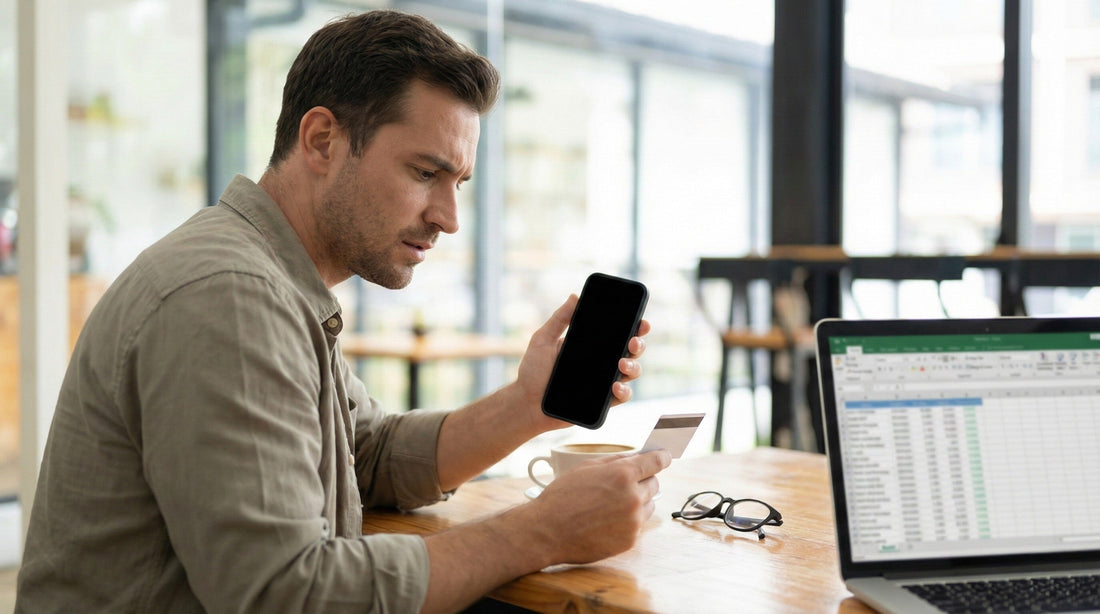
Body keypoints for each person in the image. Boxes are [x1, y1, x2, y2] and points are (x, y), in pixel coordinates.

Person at [15, 9, 670, 614]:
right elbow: (285, 594)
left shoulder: (271, 278)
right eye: (424, 173)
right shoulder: (227, 293)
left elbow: (369, 454)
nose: (448, 217)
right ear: (323, 140)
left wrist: (531, 405)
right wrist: (543, 530)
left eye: (458, 183)